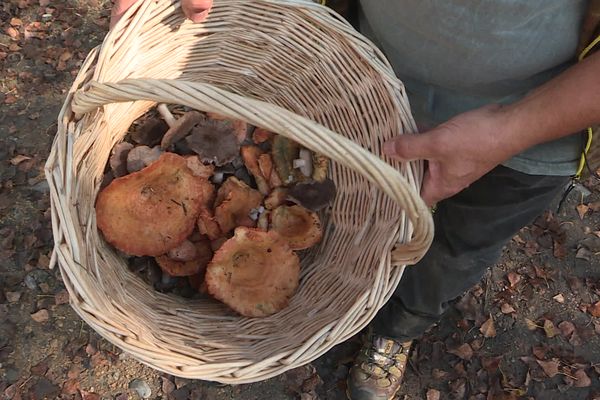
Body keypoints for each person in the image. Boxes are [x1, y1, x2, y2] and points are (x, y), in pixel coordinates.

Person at [111, 1, 600, 399]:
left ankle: (397, 329)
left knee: (454, 249)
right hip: (358, 83)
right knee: (365, 218)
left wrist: (511, 131)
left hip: (537, 123)